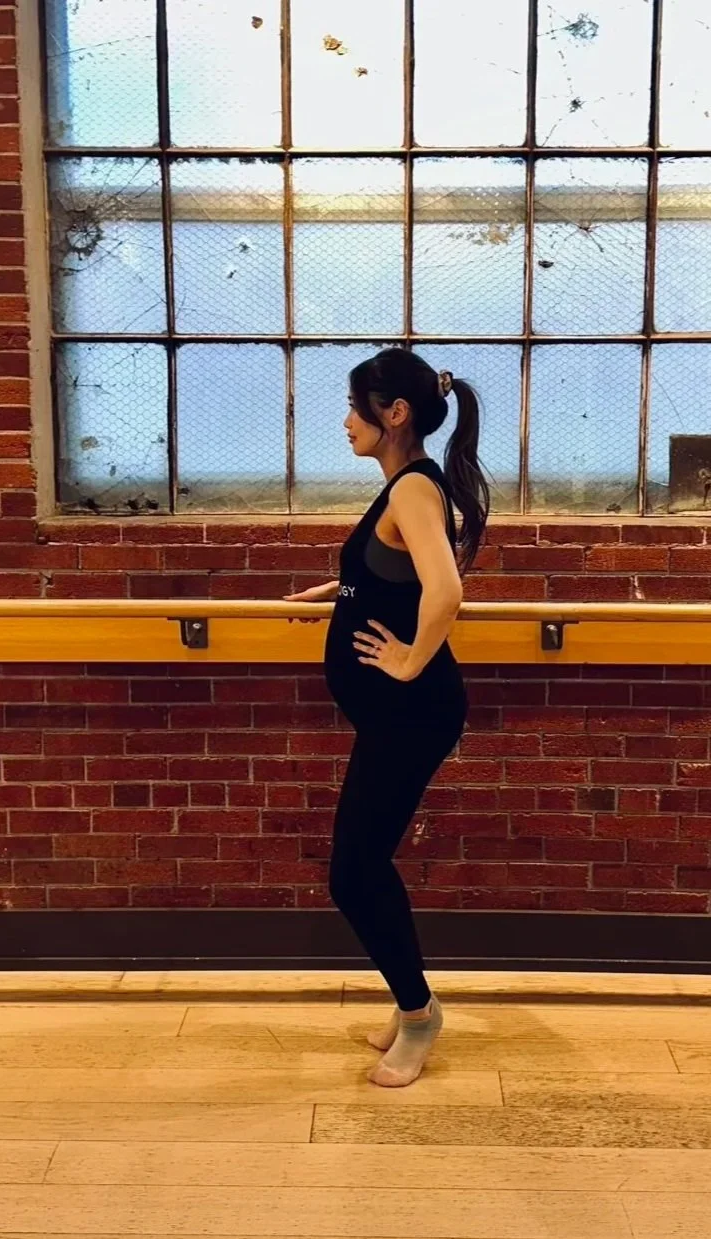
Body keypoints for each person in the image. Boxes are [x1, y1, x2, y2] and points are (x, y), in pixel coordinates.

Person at [284, 347, 490, 1087]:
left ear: (392, 412)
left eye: (354, 407)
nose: (345, 422)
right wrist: (334, 597)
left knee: (354, 870)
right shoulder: (403, 488)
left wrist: (406, 659)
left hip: (413, 710)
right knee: (358, 865)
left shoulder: (412, 491)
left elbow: (444, 591)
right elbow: (385, 572)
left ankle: (418, 1012)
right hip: (393, 716)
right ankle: (411, 1003)